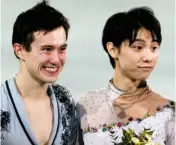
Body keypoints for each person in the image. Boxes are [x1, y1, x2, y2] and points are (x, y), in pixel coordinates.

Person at [78, 6, 175, 145]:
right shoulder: (86, 104)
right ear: (113, 50)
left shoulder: (169, 112)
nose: (148, 57)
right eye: (138, 47)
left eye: (154, 48)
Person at [1, 1, 79, 145]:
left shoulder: (65, 100)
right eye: (47, 49)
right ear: (20, 50)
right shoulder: (2, 103)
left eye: (62, 49)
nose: (56, 59)